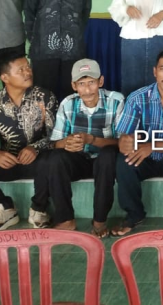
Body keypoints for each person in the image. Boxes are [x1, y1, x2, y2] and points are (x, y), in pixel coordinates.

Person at [0, 52, 57, 232]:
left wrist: (35, 148)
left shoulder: (45, 97)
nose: (28, 72)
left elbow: (56, 137)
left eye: (28, 67)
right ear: (5, 77)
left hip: (38, 162)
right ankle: (5, 208)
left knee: (53, 160)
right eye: (21, 70)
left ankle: (39, 209)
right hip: (7, 163)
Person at [111, 48, 163, 236]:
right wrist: (125, 142)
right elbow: (125, 136)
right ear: (155, 71)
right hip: (143, 157)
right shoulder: (137, 98)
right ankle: (134, 215)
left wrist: (153, 146)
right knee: (124, 161)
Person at [42, 58, 123, 237]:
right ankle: (66, 219)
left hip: (105, 163)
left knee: (108, 155)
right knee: (55, 158)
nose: (87, 89)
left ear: (100, 81)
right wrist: (66, 142)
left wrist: (92, 140)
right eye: (81, 84)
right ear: (74, 85)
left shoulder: (116, 101)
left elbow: (123, 143)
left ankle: (99, 221)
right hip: (79, 160)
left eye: (91, 82)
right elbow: (54, 143)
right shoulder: (68, 104)